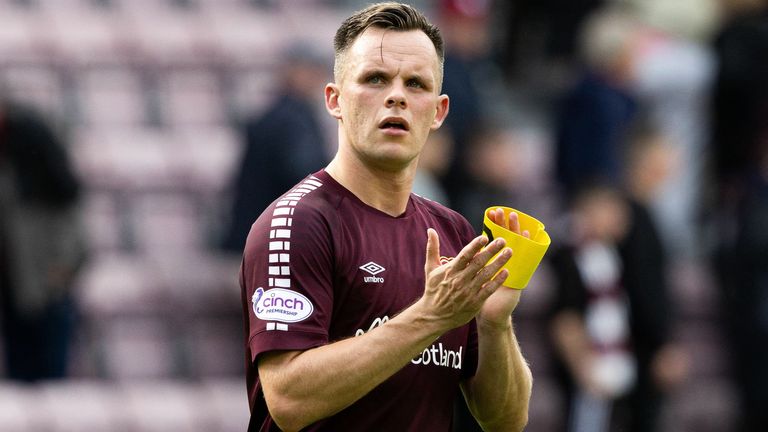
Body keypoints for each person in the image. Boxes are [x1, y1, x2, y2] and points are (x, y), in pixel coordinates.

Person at [239, 3, 533, 431]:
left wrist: (494, 322)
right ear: (334, 100)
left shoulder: (452, 232)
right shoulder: (297, 222)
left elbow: (504, 420)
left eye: (416, 84)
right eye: (375, 79)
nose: (396, 95)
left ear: (438, 111)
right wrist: (430, 317)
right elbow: (288, 398)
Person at [0, 101, 86, 381]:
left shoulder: (33, 140)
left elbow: (67, 211)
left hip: (47, 279)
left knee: (49, 374)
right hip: (17, 284)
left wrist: (61, 273)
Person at [222, 43, 331, 253]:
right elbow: (303, 176)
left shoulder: (276, 114)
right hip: (278, 241)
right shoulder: (293, 119)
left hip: (257, 235)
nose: (318, 79)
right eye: (312, 71)